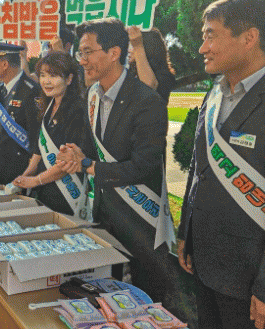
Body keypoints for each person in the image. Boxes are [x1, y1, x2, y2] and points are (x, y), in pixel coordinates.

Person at [177, 0, 265, 329]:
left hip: (250, 283)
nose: (202, 48)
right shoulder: (215, 94)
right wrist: (186, 233)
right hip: (205, 265)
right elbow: (198, 170)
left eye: (211, 36)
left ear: (249, 38)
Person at [56, 18, 179, 312]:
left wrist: (87, 164)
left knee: (146, 304)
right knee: (105, 300)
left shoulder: (146, 100)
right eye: (80, 53)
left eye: (88, 52)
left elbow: (144, 166)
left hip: (141, 220)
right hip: (106, 215)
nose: (82, 61)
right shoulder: (92, 95)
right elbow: (94, 149)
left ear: (113, 53)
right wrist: (75, 154)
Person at [13, 51, 86, 217]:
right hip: (45, 189)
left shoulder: (77, 110)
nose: (46, 81)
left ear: (69, 79)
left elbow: (68, 161)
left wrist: (35, 180)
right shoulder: (49, 106)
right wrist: (26, 175)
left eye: (53, 76)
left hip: (67, 193)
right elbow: (39, 148)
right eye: (43, 75)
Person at [0, 39, 40, 185]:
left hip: (19, 169)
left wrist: (28, 174)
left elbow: (36, 136)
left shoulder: (30, 91)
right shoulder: (1, 89)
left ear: (5, 64)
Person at [127, 26, 176, 102]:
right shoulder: (131, 71)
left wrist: (138, 47)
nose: (129, 50)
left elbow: (149, 86)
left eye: (132, 45)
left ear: (147, 47)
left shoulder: (162, 77)